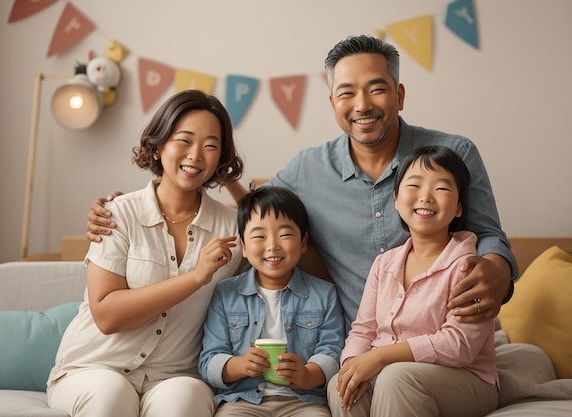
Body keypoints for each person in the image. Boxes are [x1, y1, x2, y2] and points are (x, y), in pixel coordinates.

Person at [85, 34, 517, 332]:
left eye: (376, 89)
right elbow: (258, 207)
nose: (362, 105)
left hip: (452, 332)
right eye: (347, 93)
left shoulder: (454, 153)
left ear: (399, 95)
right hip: (361, 343)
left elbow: (491, 235)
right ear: (333, 103)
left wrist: (498, 268)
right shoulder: (309, 170)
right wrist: (124, 205)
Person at [46, 89, 244, 417]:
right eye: (184, 140)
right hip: (94, 366)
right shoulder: (117, 214)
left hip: (174, 375)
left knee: (186, 402)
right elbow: (108, 316)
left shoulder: (233, 226)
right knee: (110, 398)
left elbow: (280, 216)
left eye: (211, 145)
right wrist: (195, 277)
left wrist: (228, 177)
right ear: (159, 144)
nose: (196, 155)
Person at [329, 145, 498, 417]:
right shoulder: (384, 264)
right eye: (414, 186)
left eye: (441, 189)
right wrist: (353, 364)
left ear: (458, 208)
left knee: (396, 378)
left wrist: (380, 356)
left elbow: (460, 346)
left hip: (465, 380)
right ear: (396, 199)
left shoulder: (468, 265)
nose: (426, 197)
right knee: (340, 385)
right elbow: (363, 330)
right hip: (390, 373)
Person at [199, 186, 344, 416]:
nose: (272, 245)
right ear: (244, 247)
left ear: (303, 242)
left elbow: (332, 350)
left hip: (304, 402)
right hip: (241, 400)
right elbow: (209, 358)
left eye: (285, 234)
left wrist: (309, 374)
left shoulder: (324, 294)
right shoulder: (226, 293)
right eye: (259, 236)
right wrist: (239, 365)